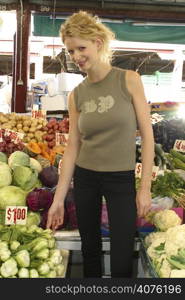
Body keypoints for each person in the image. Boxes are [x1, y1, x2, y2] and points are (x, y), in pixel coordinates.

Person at [46, 10, 155, 278]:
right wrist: (58, 199)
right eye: (70, 51)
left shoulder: (129, 80)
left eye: (81, 48)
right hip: (85, 179)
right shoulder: (76, 95)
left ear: (97, 42)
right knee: (90, 251)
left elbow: (148, 137)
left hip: (121, 179)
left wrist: (145, 189)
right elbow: (73, 147)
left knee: (121, 257)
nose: (76, 56)